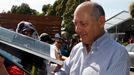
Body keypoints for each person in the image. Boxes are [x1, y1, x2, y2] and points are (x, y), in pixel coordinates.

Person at [54, 1, 130, 75]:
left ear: (101, 22)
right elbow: (64, 71)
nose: (77, 30)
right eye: (75, 23)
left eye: (83, 24)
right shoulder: (76, 49)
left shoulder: (118, 54)